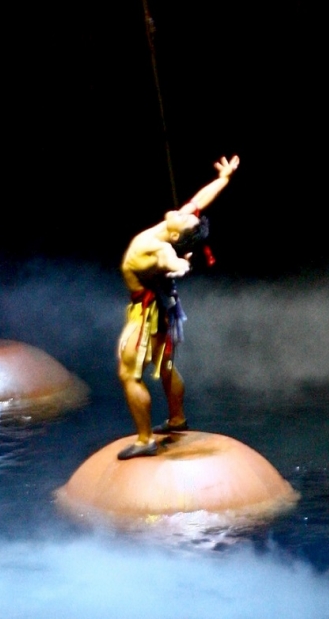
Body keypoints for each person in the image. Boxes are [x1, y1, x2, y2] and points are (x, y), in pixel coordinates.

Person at [116, 155, 239, 459]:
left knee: (129, 374)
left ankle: (145, 440)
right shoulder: (171, 230)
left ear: (175, 236)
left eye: (186, 219)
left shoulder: (157, 248)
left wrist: (180, 266)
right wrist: (223, 179)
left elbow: (171, 261)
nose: (185, 213)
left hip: (147, 313)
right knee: (166, 365)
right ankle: (177, 419)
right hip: (163, 305)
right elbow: (198, 202)